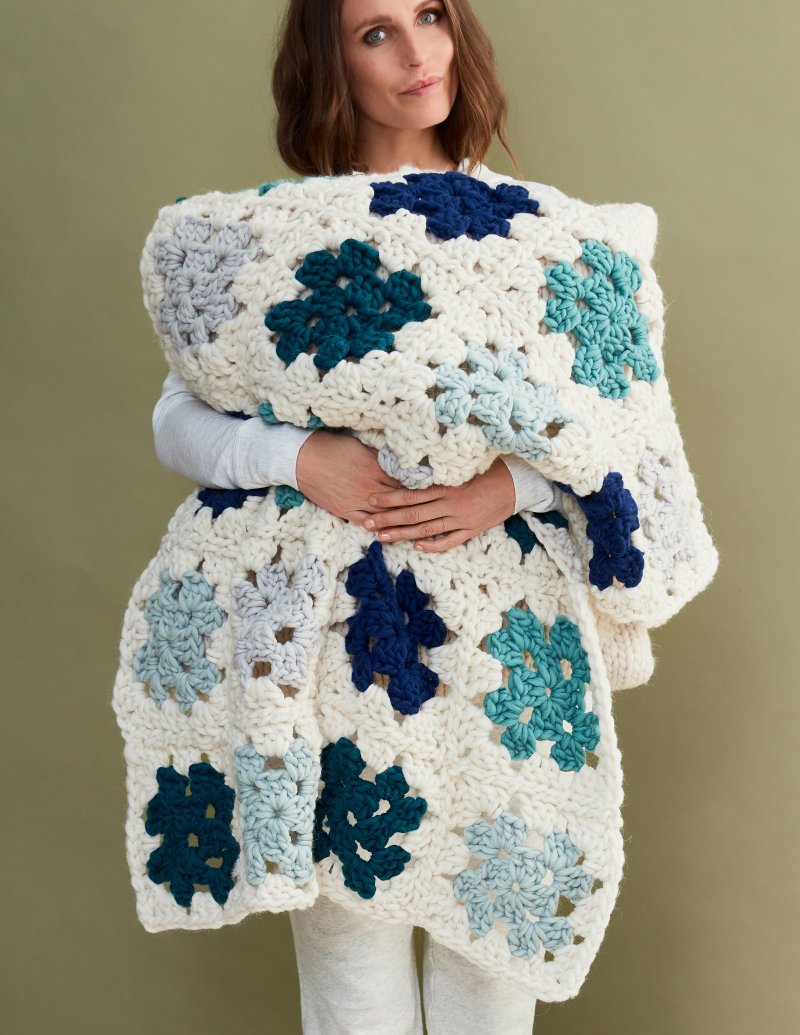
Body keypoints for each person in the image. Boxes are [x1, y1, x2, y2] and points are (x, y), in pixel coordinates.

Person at [148, 3, 548, 1031]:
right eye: (375, 32)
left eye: (430, 15)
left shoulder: (541, 234)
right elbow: (178, 419)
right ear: (330, 61)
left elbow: (611, 442)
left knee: (492, 954)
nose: (417, 54)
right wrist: (299, 458)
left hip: (505, 636)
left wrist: (505, 489)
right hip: (324, 641)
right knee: (350, 970)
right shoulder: (272, 239)